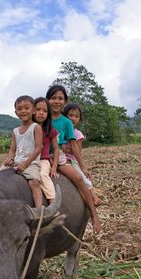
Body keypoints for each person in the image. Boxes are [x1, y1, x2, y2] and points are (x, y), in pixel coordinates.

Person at [46, 85, 101, 234]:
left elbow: (74, 145)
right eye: (53, 98)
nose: (56, 101)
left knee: (78, 178)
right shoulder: (42, 117)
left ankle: (94, 215)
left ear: (64, 101)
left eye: (60, 98)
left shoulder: (66, 122)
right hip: (43, 157)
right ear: (47, 99)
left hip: (60, 158)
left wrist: (82, 166)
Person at [4, 95, 43, 208]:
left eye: (27, 108)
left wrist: (26, 163)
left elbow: (38, 148)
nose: (23, 111)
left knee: (34, 182)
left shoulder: (36, 127)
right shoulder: (15, 131)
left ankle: (39, 210)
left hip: (31, 163)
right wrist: (9, 158)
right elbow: (12, 149)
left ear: (34, 110)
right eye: (19, 109)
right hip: (16, 162)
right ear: (16, 112)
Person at [63, 102, 102, 206]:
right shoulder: (60, 131)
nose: (73, 118)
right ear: (65, 116)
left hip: (71, 160)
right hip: (60, 158)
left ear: (79, 119)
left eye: (76, 116)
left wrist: (66, 148)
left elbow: (77, 152)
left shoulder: (78, 134)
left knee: (84, 178)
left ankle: (94, 197)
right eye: (70, 115)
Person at [33, 97, 59, 203]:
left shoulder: (50, 131)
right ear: (33, 110)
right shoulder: (29, 128)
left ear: (48, 114)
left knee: (43, 174)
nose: (41, 113)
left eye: (44, 111)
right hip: (29, 159)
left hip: (43, 160)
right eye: (38, 109)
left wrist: (54, 167)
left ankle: (52, 201)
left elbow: (56, 149)